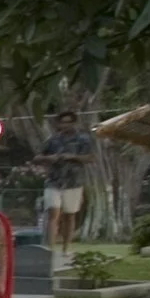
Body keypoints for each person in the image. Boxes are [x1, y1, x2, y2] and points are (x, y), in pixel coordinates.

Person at [37, 109, 98, 262]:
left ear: (74, 123)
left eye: (69, 122)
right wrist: (50, 158)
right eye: (63, 122)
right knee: (53, 213)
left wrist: (73, 157)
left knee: (70, 215)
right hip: (54, 181)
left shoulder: (83, 139)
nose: (66, 125)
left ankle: (66, 247)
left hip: (73, 182)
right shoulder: (52, 140)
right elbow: (38, 157)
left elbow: (90, 157)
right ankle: (50, 248)